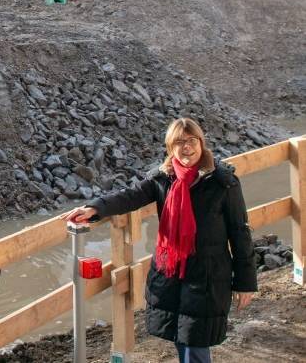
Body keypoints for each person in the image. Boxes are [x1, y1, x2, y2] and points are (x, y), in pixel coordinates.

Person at [62, 117, 257, 363]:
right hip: (172, 273)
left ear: (201, 142)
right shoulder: (164, 178)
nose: (186, 147)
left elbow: (240, 232)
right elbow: (130, 196)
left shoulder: (222, 182)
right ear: (170, 147)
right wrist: (95, 208)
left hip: (207, 277)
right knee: (181, 336)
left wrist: (245, 282)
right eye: (179, 142)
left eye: (191, 140)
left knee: (194, 344)